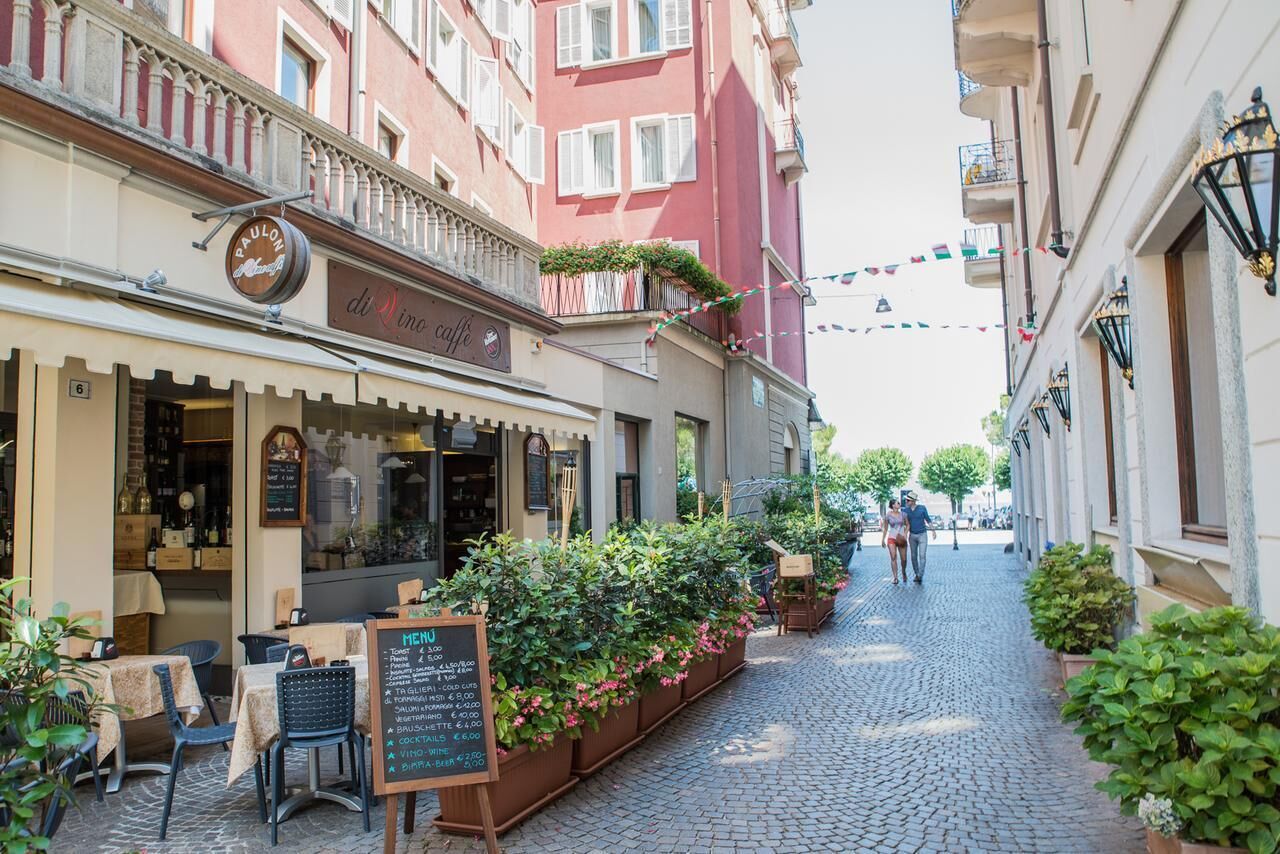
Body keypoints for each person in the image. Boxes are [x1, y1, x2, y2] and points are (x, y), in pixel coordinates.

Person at [903, 491, 936, 583]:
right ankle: (917, 573)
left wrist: (933, 531)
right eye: (906, 500)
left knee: (922, 555)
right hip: (912, 535)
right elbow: (902, 523)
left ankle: (920, 575)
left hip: (922, 535)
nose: (906, 502)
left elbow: (928, 520)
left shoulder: (922, 508)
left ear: (913, 501)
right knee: (913, 556)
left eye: (908, 500)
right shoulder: (905, 511)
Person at [880, 499, 909, 584]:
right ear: (893, 505)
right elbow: (885, 528)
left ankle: (903, 572)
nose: (899, 504)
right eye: (897, 503)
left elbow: (908, 525)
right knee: (893, 557)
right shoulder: (888, 515)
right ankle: (895, 577)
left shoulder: (903, 514)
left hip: (901, 538)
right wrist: (883, 539)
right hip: (892, 538)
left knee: (904, 559)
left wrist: (905, 534)